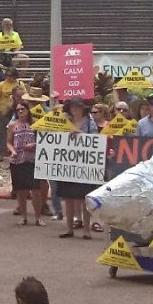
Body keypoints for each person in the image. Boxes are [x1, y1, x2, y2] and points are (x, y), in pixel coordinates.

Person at [57, 98, 98, 239]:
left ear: (83, 108)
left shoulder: (90, 123)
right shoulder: (65, 121)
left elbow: (95, 141)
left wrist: (80, 135)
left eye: (77, 106)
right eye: (72, 106)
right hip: (68, 164)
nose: (74, 108)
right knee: (68, 198)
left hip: (85, 165)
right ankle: (69, 228)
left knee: (85, 198)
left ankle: (86, 229)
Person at [7, 103, 44, 227]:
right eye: (18, 110)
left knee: (36, 190)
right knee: (21, 190)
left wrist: (34, 145)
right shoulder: (12, 125)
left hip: (32, 159)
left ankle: (38, 217)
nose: (20, 111)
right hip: (18, 160)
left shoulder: (35, 124)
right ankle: (24, 216)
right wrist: (12, 151)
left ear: (28, 110)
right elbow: (8, 142)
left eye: (23, 109)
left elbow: (43, 140)